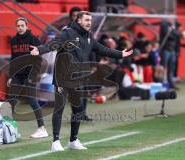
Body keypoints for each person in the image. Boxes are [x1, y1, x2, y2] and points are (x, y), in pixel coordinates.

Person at [30, 11, 133, 151]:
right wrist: (40, 50)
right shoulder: (67, 33)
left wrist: (120, 54)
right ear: (79, 21)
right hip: (62, 78)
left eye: (90, 20)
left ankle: (73, 140)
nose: (89, 22)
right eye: (86, 20)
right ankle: (55, 141)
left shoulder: (89, 37)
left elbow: (103, 49)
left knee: (78, 110)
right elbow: (52, 44)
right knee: (59, 108)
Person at [9, 17, 48, 138]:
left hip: (30, 74)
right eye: (18, 26)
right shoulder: (14, 40)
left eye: (22, 25)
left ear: (27, 26)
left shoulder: (33, 40)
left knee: (31, 100)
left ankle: (42, 129)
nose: (20, 28)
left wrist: (32, 77)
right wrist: (11, 76)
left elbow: (38, 61)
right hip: (17, 75)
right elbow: (13, 60)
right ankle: (9, 129)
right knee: (11, 100)